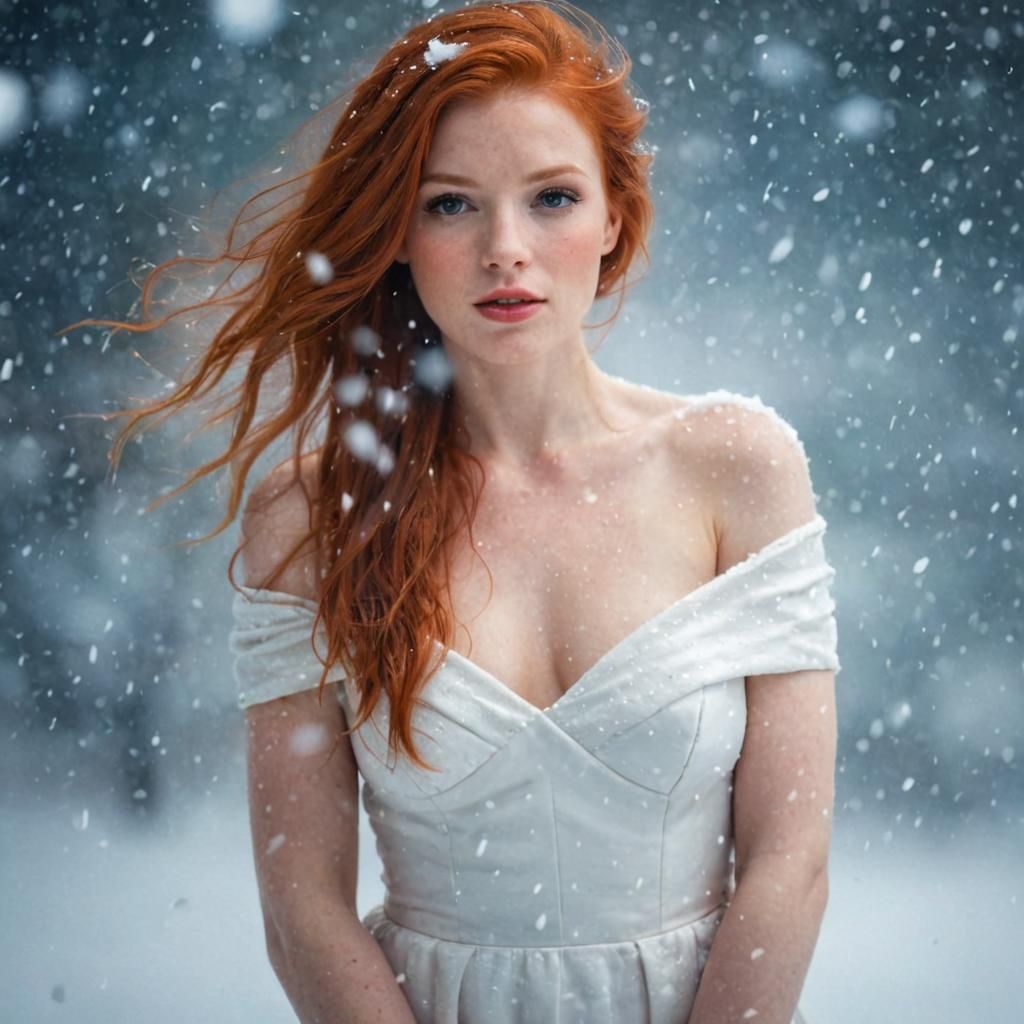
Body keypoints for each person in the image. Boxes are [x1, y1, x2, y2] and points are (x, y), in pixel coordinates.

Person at [78, 1, 839, 1021]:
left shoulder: (734, 467)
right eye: (450, 205)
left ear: (616, 216)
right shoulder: (311, 514)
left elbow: (790, 861)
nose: (504, 248)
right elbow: (303, 908)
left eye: (553, 197)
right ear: (397, 232)